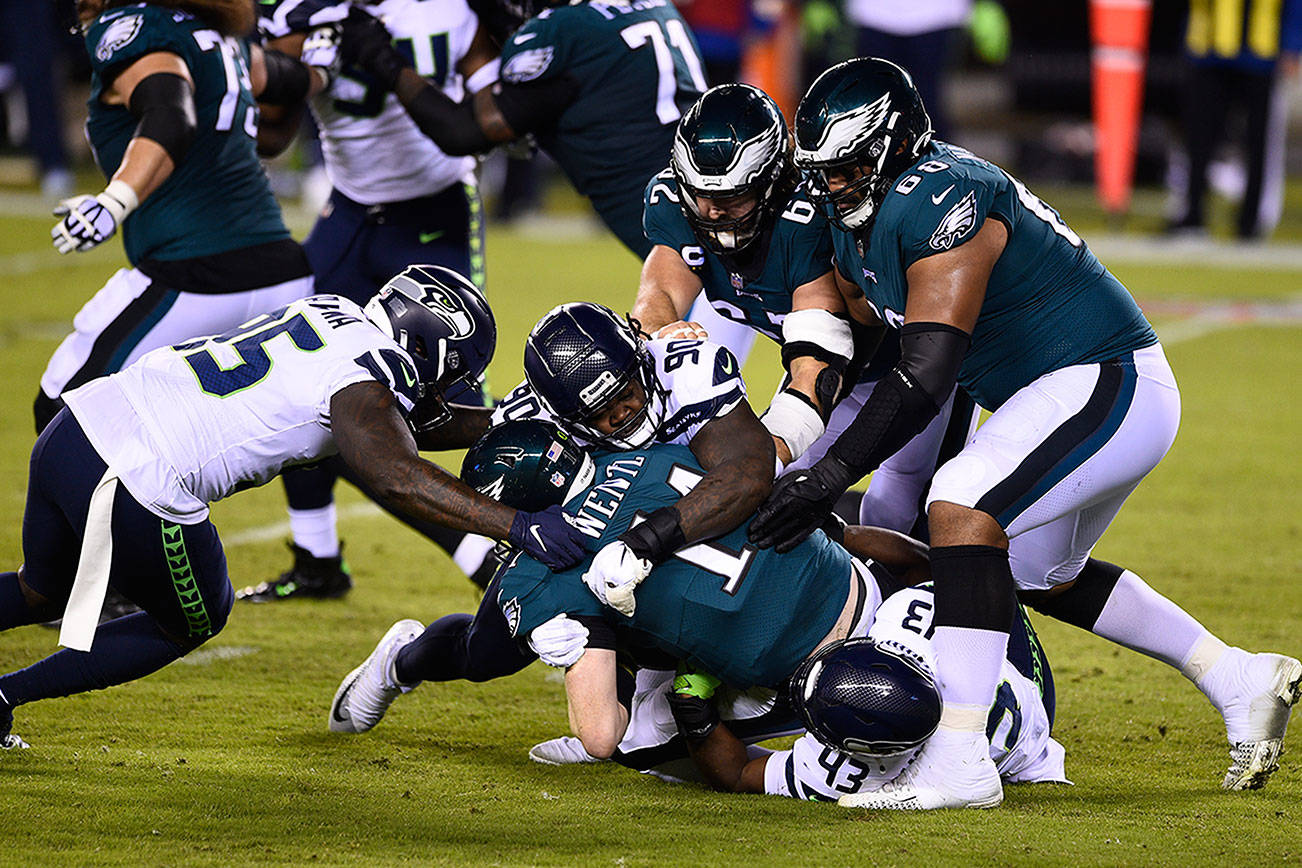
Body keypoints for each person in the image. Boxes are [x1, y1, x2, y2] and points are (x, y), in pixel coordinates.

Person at [747, 57, 1301, 806]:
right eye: (821, 169)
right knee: (1040, 573)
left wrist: (826, 476)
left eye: (847, 166)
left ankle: (962, 758)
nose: (831, 184)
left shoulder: (944, 196)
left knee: (963, 505)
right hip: (1050, 394)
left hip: (1107, 377)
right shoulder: (858, 228)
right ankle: (1237, 675)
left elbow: (927, 372)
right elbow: (880, 355)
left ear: (893, 146)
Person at [0, 267, 587, 749]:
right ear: (430, 346)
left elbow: (396, 422)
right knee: (193, 616)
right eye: (452, 374)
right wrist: (516, 525)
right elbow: (396, 474)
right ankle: (3, 698)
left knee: (40, 590)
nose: (445, 390)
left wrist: (501, 420)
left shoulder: (333, 313)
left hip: (77, 427)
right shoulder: (370, 377)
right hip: (137, 473)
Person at [634, 82, 978, 535]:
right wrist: (663, 334)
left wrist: (749, 465)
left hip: (910, 368)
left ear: (773, 182)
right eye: (703, 196)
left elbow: (821, 363)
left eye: (732, 198)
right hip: (823, 366)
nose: (714, 213)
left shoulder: (810, 220)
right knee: (776, 500)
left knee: (898, 509)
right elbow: (656, 298)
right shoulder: (678, 206)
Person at [247, 0, 504, 600]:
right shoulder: (298, 12)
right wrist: (277, 72)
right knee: (303, 370)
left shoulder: (457, 10)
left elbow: (487, 124)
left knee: (450, 394)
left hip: (435, 210)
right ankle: (317, 558)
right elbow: (272, 132)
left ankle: (505, 549)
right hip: (350, 212)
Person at [39, 0, 326, 433]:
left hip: (194, 273)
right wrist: (326, 65)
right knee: (287, 437)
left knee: (62, 409)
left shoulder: (132, 26)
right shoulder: (218, 37)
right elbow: (289, 80)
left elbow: (170, 116)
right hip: (281, 272)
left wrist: (115, 201)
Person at [336, 0, 707, 259]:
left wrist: (382, 59)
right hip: (712, 204)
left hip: (695, 249)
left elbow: (461, 133)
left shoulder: (562, 30)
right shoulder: (652, 5)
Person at [1168, 0, 1302, 240]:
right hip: (1207, 47)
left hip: (1260, 50)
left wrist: (1292, 44)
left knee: (1258, 143)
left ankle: (1250, 222)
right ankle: (1191, 214)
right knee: (1198, 139)